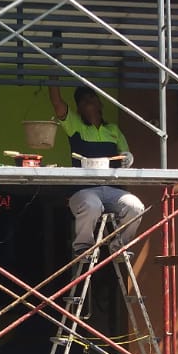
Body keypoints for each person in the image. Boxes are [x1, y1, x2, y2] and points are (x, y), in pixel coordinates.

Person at [48, 82, 144, 254]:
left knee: (135, 207)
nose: (88, 101)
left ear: (100, 103)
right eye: (83, 100)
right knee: (92, 205)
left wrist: (128, 158)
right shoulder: (75, 126)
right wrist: (53, 75)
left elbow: (125, 155)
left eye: (91, 97)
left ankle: (119, 246)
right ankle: (83, 247)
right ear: (78, 109)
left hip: (112, 190)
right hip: (83, 191)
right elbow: (57, 103)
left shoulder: (113, 130)